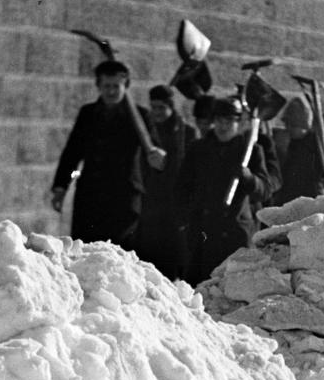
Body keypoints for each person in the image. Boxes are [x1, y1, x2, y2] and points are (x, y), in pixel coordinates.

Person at [50, 59, 165, 246]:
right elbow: (73, 153)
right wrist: (61, 187)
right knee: (84, 251)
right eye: (106, 86)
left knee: (118, 257)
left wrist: (158, 157)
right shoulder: (88, 114)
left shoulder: (140, 117)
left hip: (124, 199)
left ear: (125, 86)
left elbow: (154, 152)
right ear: (98, 86)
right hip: (90, 197)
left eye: (116, 86)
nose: (111, 91)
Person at [179, 96, 278, 284]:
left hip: (235, 233)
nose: (223, 126)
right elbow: (181, 188)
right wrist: (185, 221)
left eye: (229, 121)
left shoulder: (251, 151)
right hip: (203, 233)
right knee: (200, 290)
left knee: (234, 290)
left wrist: (249, 178)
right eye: (219, 121)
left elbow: (265, 189)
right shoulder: (198, 150)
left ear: (238, 123)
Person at [137, 84, 196, 279]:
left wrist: (167, 162)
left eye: (161, 107)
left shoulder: (187, 133)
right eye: (153, 107)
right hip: (151, 204)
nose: (157, 112)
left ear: (171, 107)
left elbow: (188, 170)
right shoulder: (148, 133)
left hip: (175, 206)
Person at [276, 95, 324, 203]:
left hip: (313, 203)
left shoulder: (319, 144)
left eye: (294, 126)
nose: (289, 128)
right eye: (287, 124)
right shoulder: (281, 140)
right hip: (285, 202)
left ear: (305, 126)